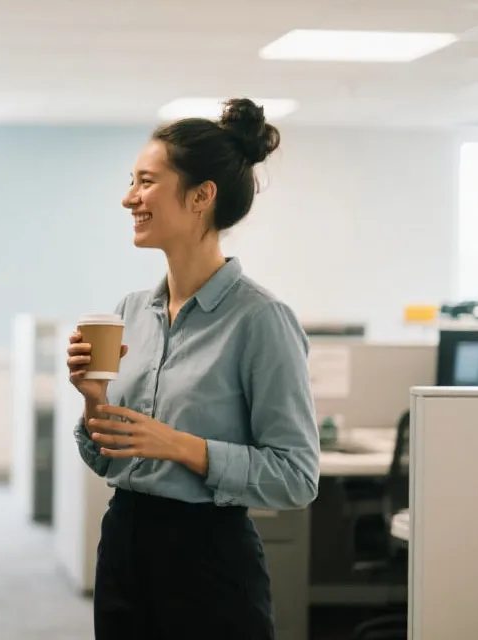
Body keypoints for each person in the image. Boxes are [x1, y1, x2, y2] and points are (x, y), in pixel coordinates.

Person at [65, 98, 320, 640]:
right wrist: (93, 400)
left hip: (208, 560)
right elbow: (108, 461)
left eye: (146, 182)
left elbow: (297, 477)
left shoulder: (261, 320)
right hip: (124, 545)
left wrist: (180, 445)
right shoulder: (132, 311)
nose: (128, 197)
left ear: (202, 195)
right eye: (131, 181)